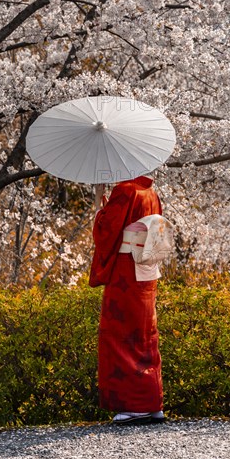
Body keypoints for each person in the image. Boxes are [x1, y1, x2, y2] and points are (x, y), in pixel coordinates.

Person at [89, 174, 165, 425]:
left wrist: (99, 206)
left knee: (120, 333)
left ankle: (134, 406)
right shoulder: (149, 191)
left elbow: (106, 233)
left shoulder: (125, 190)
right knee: (144, 333)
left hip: (126, 271)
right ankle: (153, 403)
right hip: (146, 269)